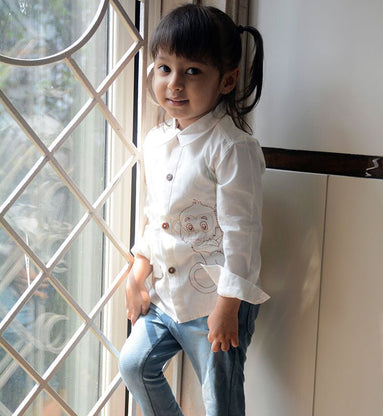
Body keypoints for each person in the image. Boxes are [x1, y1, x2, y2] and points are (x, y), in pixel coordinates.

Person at [119, 4, 270, 416]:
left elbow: (242, 233)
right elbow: (157, 215)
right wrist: (138, 271)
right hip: (166, 297)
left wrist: (228, 307)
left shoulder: (232, 147)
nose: (174, 84)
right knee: (134, 364)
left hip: (215, 304)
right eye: (165, 68)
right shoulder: (157, 141)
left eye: (192, 71)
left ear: (227, 81)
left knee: (220, 401)